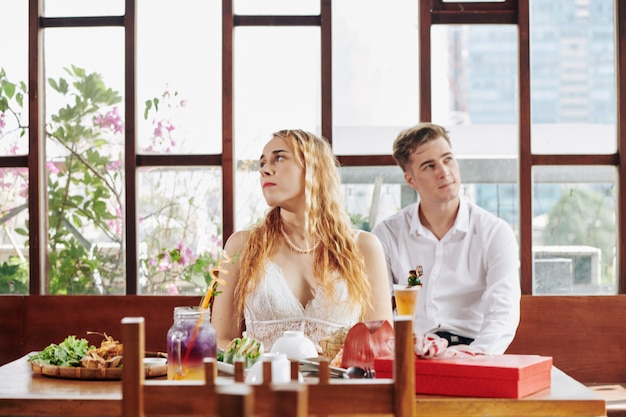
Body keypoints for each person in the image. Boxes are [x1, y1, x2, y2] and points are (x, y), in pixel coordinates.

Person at [212, 129, 393, 351]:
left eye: (279, 158)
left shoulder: (364, 247)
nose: (265, 170)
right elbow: (220, 340)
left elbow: (381, 344)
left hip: (339, 384)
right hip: (262, 382)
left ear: (314, 168)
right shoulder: (242, 245)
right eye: (262, 163)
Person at [371, 122, 520, 355]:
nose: (444, 172)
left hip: (473, 348)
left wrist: (476, 356)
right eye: (429, 166)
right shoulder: (387, 234)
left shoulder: (495, 232)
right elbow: (374, 309)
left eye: (448, 159)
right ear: (410, 180)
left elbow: (504, 310)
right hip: (410, 351)